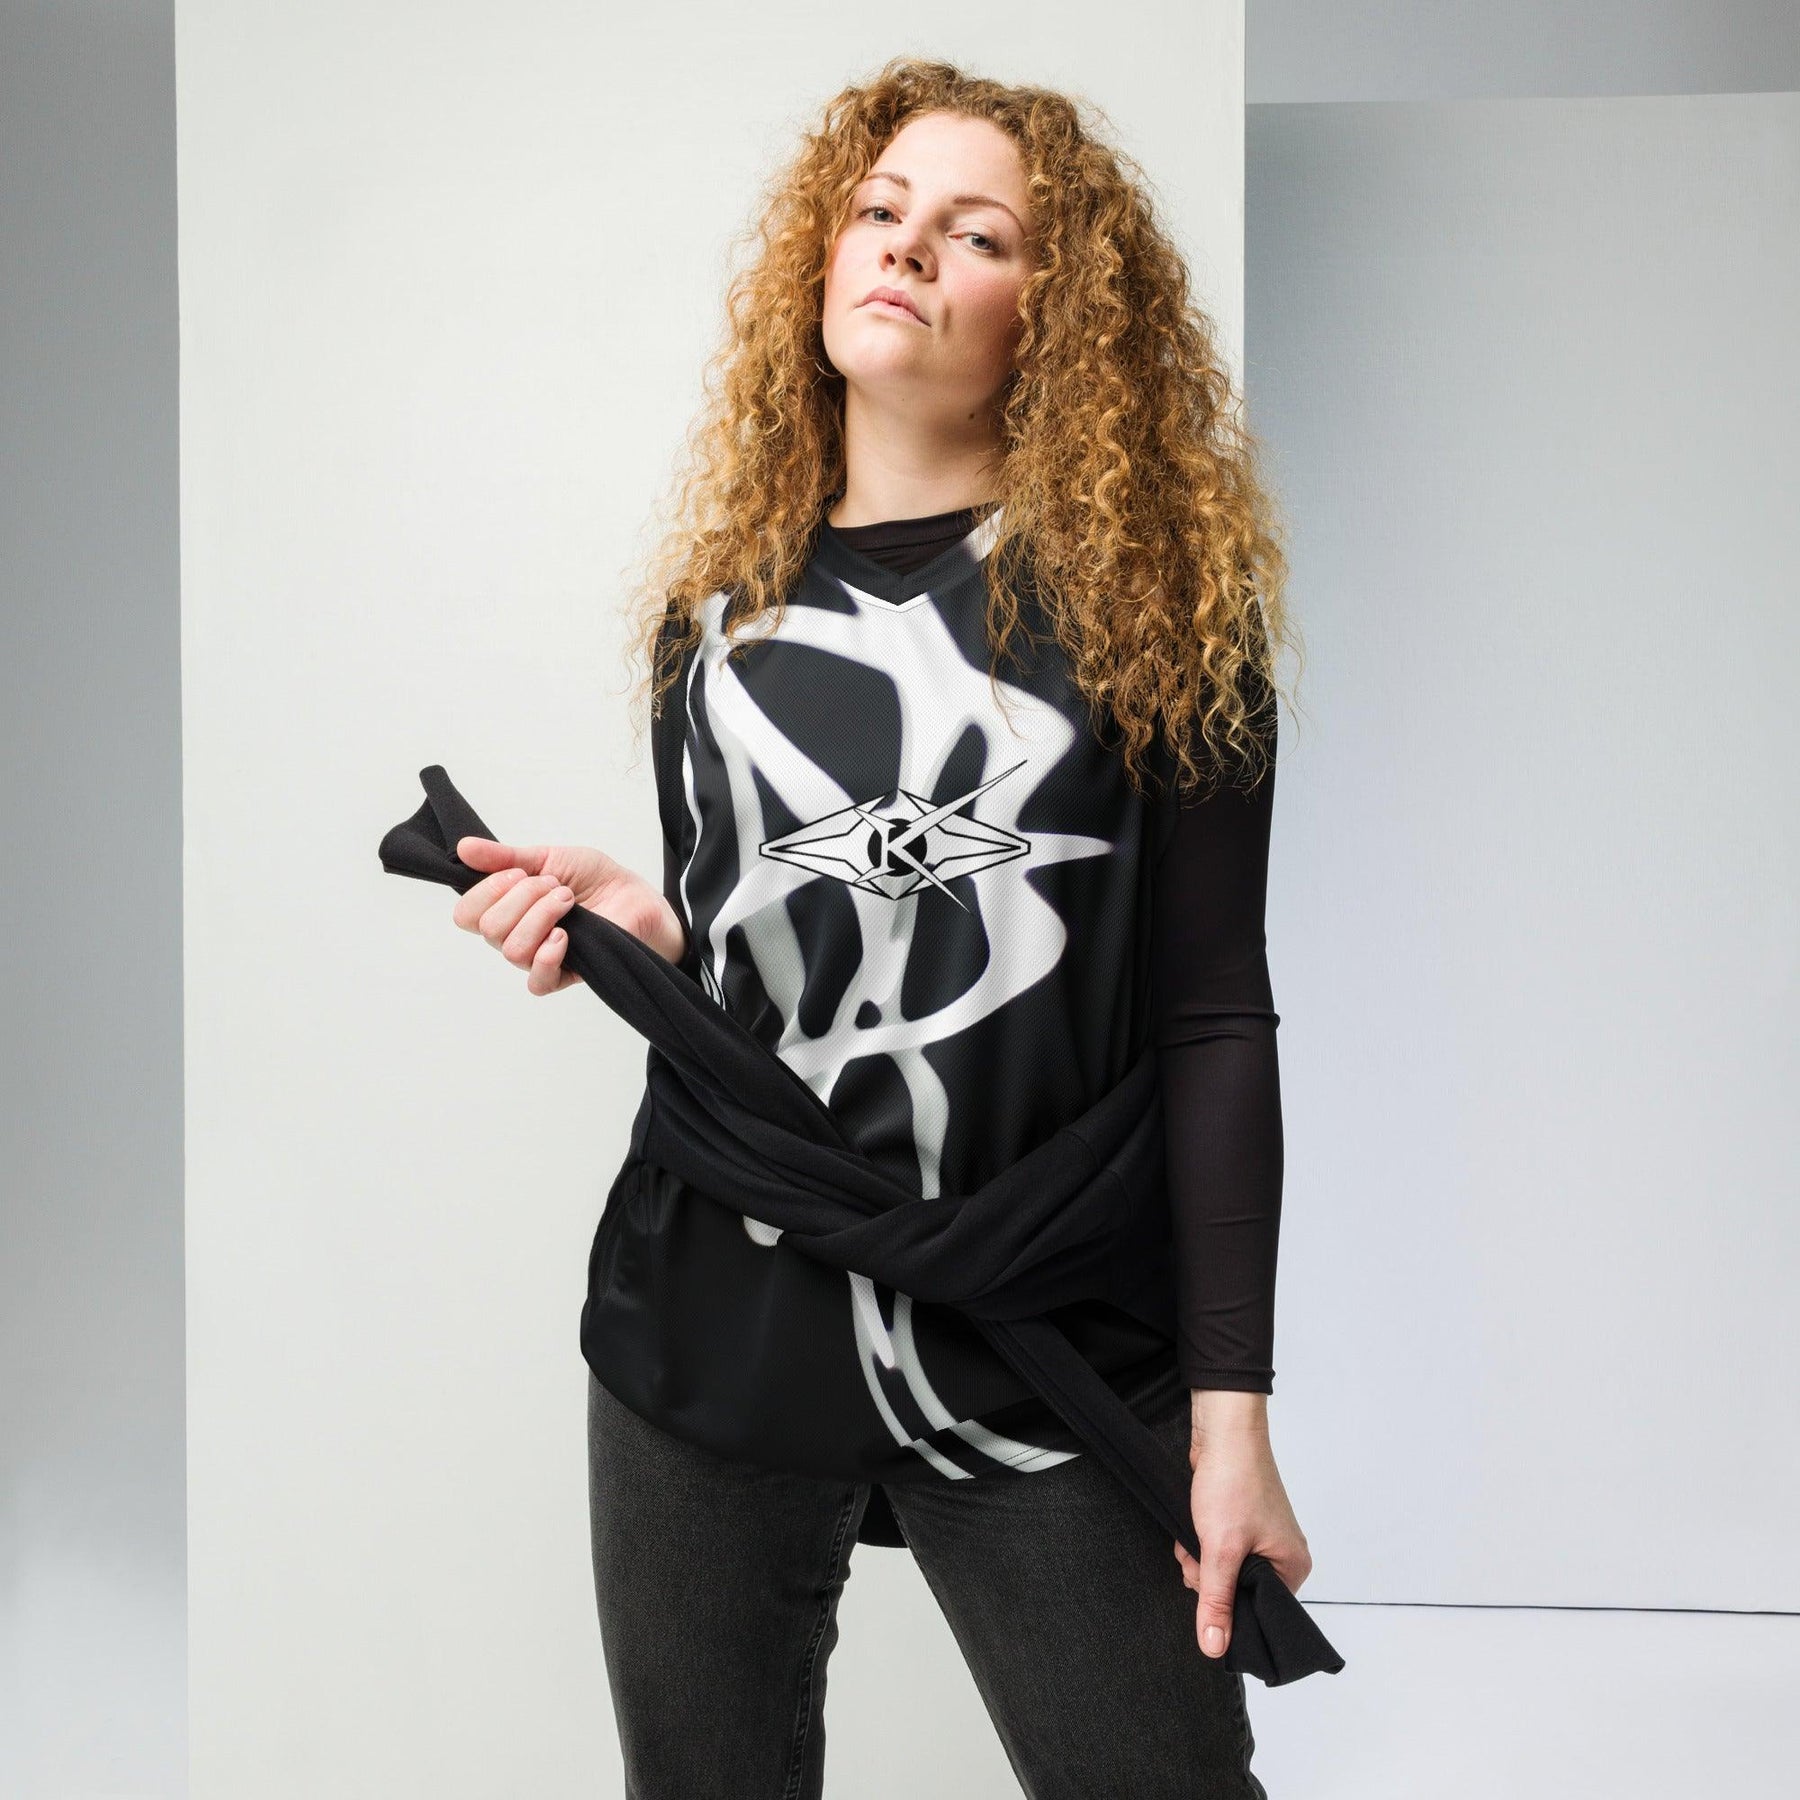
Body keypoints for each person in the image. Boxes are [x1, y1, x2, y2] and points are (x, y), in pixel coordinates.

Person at [449, 57, 1311, 1800]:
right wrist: (652, 940)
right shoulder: (714, 624)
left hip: (1042, 1329)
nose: (910, 247)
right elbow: (778, 956)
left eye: (976, 234)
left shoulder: (1160, 618)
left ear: (1056, 318)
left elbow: (1215, 1018)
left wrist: (1233, 1423)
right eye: (881, 211)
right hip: (714, 1320)